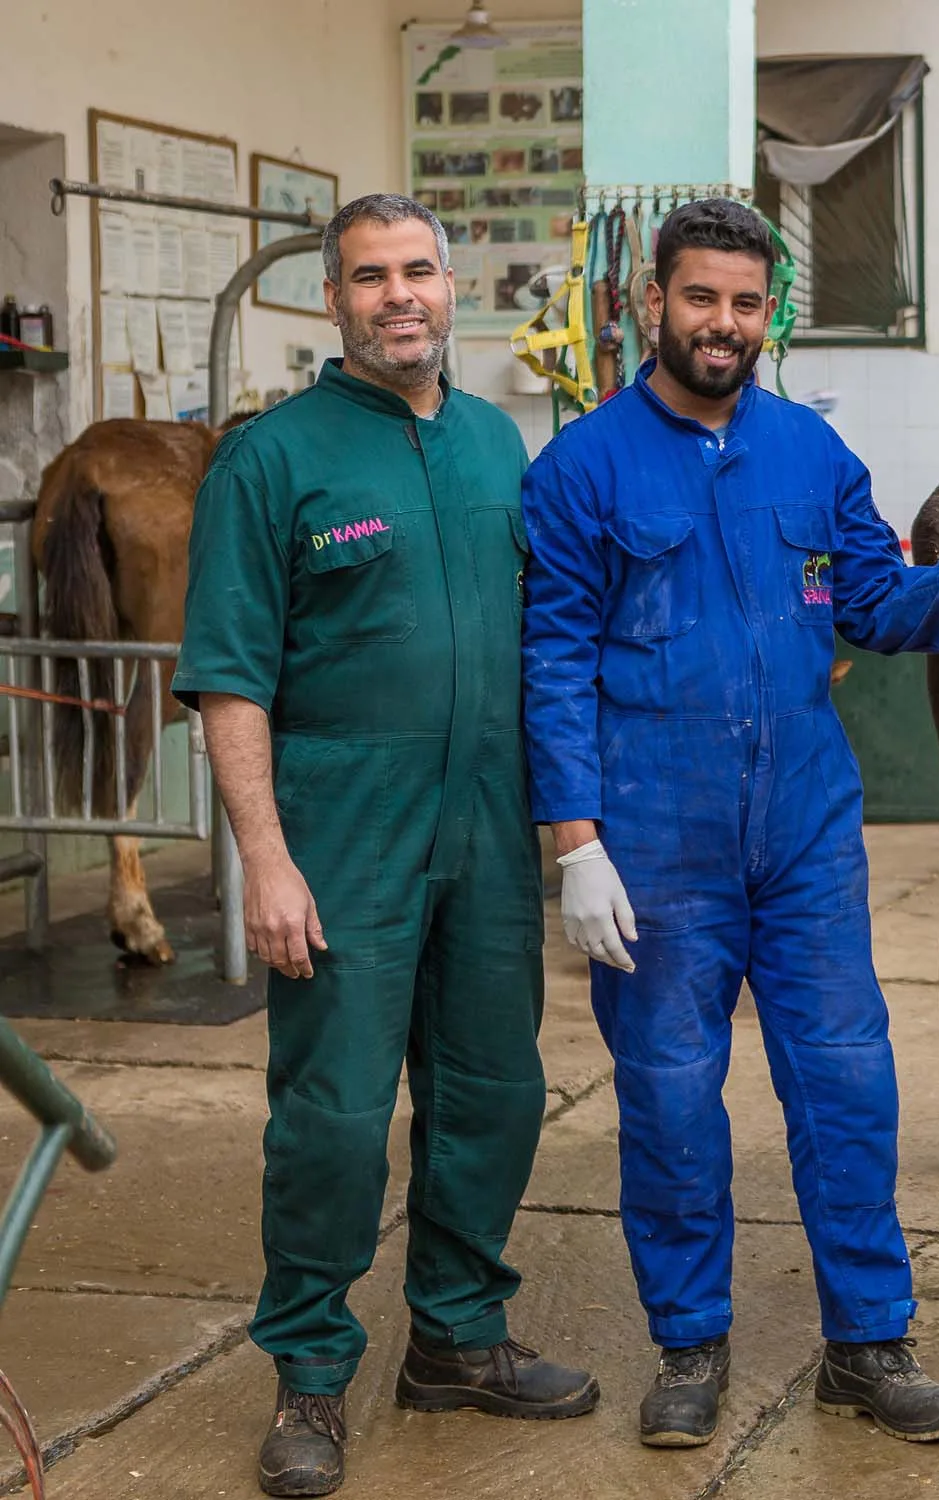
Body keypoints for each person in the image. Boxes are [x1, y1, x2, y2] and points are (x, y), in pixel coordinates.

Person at [519, 198, 939, 1450]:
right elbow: (550, 662)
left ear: (770, 314)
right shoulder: (580, 469)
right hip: (655, 843)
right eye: (701, 298)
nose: (724, 324)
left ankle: (867, 1343)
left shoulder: (812, 457)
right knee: (671, 1103)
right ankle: (689, 1346)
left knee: (848, 1089)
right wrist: (574, 843)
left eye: (748, 304)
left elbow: (873, 603)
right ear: (653, 304)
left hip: (804, 832)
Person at [174, 193, 597, 1500]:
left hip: (485, 835)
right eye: (371, 276)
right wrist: (268, 859)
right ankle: (310, 1373)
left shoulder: (495, 448)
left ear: (451, 284)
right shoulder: (272, 461)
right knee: (334, 1120)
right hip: (340, 843)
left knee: (493, 1098)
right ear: (333, 300)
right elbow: (231, 680)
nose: (400, 295)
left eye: (419, 271)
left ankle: (457, 1338)